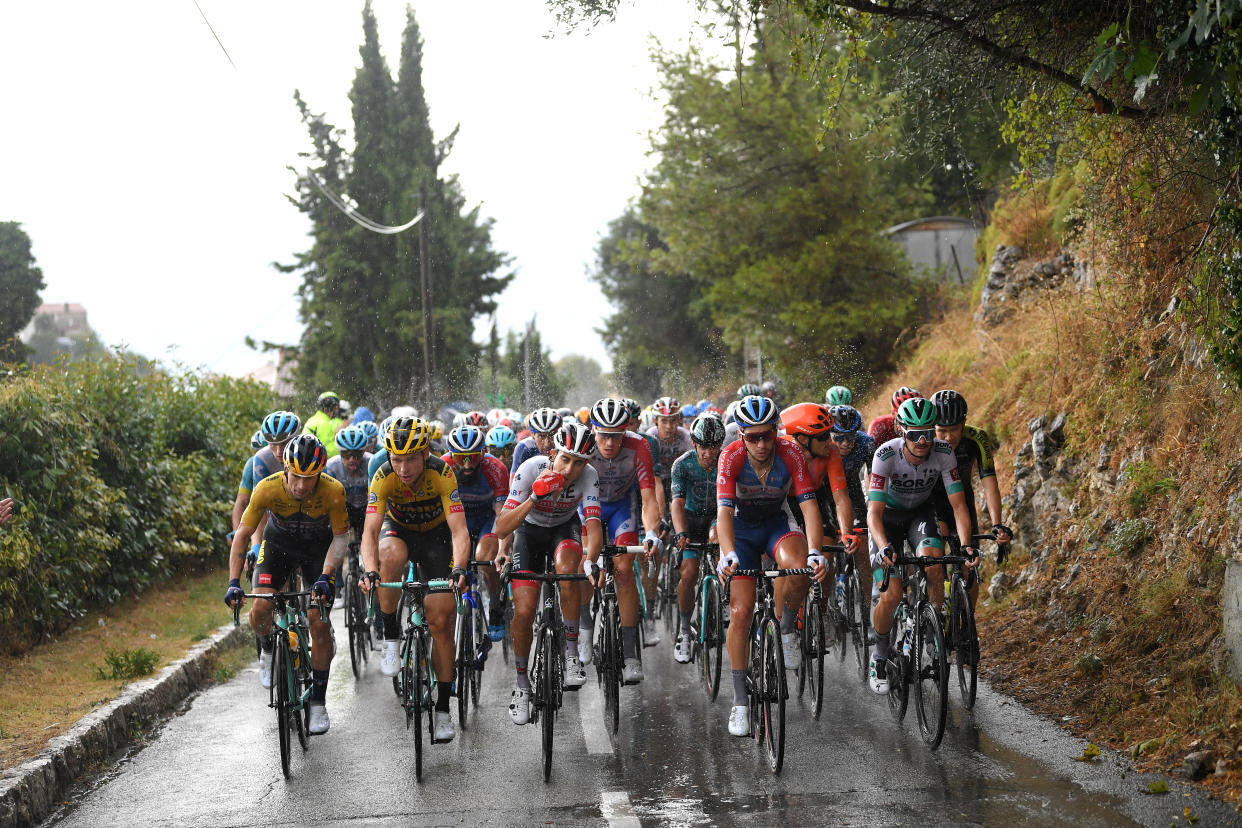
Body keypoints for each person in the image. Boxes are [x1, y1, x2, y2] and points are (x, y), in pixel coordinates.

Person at [715, 395, 827, 736]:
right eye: (753, 437)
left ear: (776, 431)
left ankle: (788, 628)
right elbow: (723, 513)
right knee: (741, 611)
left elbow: (808, 506)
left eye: (767, 435)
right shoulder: (730, 456)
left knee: (799, 567)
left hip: (778, 523)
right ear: (741, 436)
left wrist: (816, 552)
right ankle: (740, 702)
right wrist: (727, 553)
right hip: (742, 531)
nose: (762, 444)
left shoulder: (791, 451)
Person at [224, 434, 349, 735]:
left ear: (320, 473)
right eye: (296, 477)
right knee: (261, 607)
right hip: (278, 547)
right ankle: (268, 648)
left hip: (318, 551)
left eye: (310, 478)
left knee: (318, 622)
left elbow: (341, 537)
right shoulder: (267, 488)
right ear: (285, 469)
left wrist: (327, 574)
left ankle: (318, 702)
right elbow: (243, 535)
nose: (302, 486)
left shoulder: (333, 491)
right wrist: (233, 581)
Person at [359, 416, 471, 743]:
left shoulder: (443, 473)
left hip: (437, 539)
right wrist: (370, 570)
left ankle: (443, 708)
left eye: (410, 459)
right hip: (400, 532)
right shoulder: (382, 476)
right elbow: (369, 531)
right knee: (388, 555)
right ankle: (391, 637)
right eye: (396, 459)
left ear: (425, 454)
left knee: (440, 620)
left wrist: (460, 567)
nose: (403, 468)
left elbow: (459, 530)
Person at [866, 397, 977, 695]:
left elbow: (958, 506)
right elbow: (873, 514)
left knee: (935, 563)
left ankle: (931, 629)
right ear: (902, 431)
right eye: (914, 434)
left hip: (919, 514)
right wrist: (884, 546)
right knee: (891, 595)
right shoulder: (885, 455)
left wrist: (966, 546)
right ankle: (879, 654)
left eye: (928, 433)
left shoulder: (943, 453)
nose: (922, 440)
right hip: (886, 520)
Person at [495, 422, 602, 724]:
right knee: (525, 610)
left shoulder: (590, 477)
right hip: (529, 534)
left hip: (563, 532)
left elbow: (593, 526)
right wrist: (534, 498)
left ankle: (571, 655)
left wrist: (592, 559)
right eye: (565, 459)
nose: (570, 469)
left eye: (579, 462)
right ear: (553, 453)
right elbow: (502, 527)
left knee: (570, 570)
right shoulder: (530, 468)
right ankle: (521, 685)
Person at [588, 397, 663, 681]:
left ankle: (630, 654)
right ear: (593, 430)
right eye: (603, 435)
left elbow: (648, 497)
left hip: (622, 507)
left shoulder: (639, 445)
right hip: (589, 506)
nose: (609, 443)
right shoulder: (582, 444)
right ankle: (583, 636)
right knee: (585, 566)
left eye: (616, 436)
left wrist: (652, 532)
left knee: (623, 569)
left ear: (626, 432)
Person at [928, 389, 1013, 604]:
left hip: (963, 503)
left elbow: (989, 482)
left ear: (964, 422)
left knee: (970, 567)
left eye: (954, 429)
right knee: (935, 559)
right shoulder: (924, 441)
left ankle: (967, 627)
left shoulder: (977, 438)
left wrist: (997, 524)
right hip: (931, 504)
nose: (948, 437)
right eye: (941, 430)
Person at [442, 425, 509, 640]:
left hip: (486, 520)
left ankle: (496, 607)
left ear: (483, 453)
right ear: (452, 456)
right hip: (455, 521)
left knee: (484, 559)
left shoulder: (495, 468)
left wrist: (503, 547)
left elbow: (502, 516)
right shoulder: (443, 467)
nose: (468, 464)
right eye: (461, 458)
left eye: (473, 456)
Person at [669, 413, 725, 663]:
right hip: (690, 520)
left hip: (717, 517)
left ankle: (723, 597)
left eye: (713, 447)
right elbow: (677, 503)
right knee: (689, 573)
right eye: (703, 447)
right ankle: (684, 631)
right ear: (695, 444)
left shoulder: (727, 461)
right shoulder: (682, 465)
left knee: (720, 544)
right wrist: (681, 533)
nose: (708, 453)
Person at [324, 425, 373, 540]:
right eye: (347, 455)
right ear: (340, 453)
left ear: (363, 452)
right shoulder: (331, 467)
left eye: (356, 455)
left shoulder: (371, 463)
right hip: (345, 507)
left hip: (367, 506)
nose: (352, 460)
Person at [511, 407, 562, 472]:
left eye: (552, 436)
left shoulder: (563, 447)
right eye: (542, 436)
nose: (547, 444)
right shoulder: (524, 447)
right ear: (532, 434)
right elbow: (513, 480)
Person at [304, 392, 344, 458]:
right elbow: (329, 452)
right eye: (336, 407)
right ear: (332, 407)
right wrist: (341, 438)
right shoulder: (325, 424)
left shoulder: (312, 419)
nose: (337, 409)